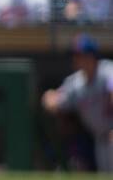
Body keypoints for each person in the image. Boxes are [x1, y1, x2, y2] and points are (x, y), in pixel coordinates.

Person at [42, 35, 113, 172]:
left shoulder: (107, 71)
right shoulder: (76, 83)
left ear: (91, 56)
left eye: (80, 55)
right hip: (100, 139)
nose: (76, 59)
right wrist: (49, 98)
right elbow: (53, 100)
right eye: (75, 56)